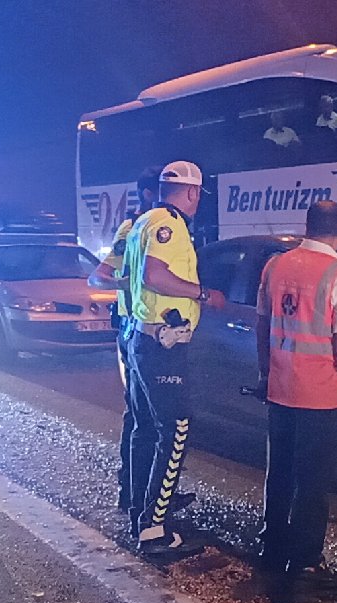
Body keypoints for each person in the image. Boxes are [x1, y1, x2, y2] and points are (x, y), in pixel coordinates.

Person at [255, 200, 337, 577]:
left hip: (280, 388)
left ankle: (272, 543)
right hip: (320, 393)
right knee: (312, 480)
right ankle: (305, 559)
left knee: (281, 473)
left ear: (307, 226)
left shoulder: (275, 265)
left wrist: (264, 374)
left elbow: (263, 326)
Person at [122, 160, 226, 555]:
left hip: (139, 338)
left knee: (144, 429)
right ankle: (153, 528)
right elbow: (154, 275)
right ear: (193, 192)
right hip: (161, 345)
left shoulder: (143, 221)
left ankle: (140, 511)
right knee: (177, 428)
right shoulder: (171, 225)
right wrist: (201, 293)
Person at [88, 166, 161, 515]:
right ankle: (132, 492)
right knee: (140, 416)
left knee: (148, 415)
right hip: (134, 330)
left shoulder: (159, 228)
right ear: (149, 194)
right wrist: (134, 286)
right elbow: (100, 276)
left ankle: (145, 490)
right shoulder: (134, 229)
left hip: (145, 331)